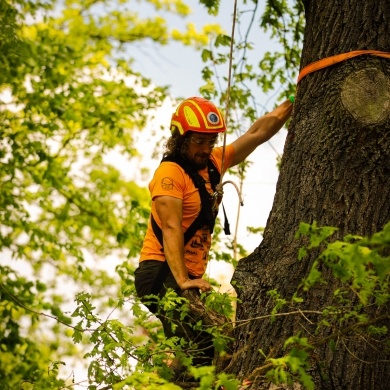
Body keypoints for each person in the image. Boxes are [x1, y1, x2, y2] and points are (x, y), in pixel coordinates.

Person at [134, 96, 293, 375]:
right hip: (161, 274)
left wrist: (290, 104)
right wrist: (183, 280)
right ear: (180, 139)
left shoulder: (213, 164)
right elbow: (171, 228)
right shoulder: (169, 174)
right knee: (205, 347)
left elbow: (256, 134)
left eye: (211, 141)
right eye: (199, 141)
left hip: (184, 278)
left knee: (195, 352)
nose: (206, 148)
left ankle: (167, 379)